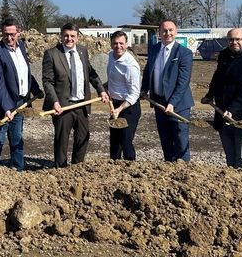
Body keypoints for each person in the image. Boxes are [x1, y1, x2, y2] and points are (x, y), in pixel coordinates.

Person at [42, 22, 109, 168]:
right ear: (61, 36)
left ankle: (77, 167)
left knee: (83, 137)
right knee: (62, 140)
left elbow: (91, 73)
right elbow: (47, 81)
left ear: (78, 37)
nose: (69, 39)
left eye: (73, 36)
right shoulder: (52, 54)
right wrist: (54, 101)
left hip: (82, 104)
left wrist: (101, 90)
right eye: (66, 35)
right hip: (63, 105)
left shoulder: (82, 51)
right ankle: (61, 168)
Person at [0, 18, 43, 171]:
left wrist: (35, 89)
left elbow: (25, 73)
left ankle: (17, 168)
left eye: (12, 34)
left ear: (19, 33)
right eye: (5, 34)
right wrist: (7, 107)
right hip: (0, 104)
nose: (9, 38)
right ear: (1, 34)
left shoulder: (21, 47)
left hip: (20, 102)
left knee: (17, 138)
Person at [201, 28, 242, 169]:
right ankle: (230, 178)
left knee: (241, 154)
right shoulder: (223, 56)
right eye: (231, 39)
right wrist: (210, 95)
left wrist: (232, 109)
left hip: (241, 114)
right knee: (229, 152)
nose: (234, 42)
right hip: (222, 110)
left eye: (238, 39)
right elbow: (217, 79)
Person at [140, 20, 194, 162]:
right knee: (165, 138)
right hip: (159, 101)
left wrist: (172, 103)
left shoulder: (184, 53)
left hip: (178, 105)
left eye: (171, 30)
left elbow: (183, 82)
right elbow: (148, 71)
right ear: (159, 32)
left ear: (176, 32)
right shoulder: (154, 49)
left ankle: (184, 169)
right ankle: (168, 167)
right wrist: (144, 89)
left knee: (180, 139)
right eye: (164, 30)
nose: (167, 33)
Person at [106, 31, 141, 160]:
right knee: (114, 142)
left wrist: (119, 109)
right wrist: (106, 88)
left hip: (128, 108)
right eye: (115, 43)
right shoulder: (111, 56)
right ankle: (114, 170)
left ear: (126, 45)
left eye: (121, 43)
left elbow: (134, 94)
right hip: (114, 104)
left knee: (125, 141)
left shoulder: (130, 65)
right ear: (111, 44)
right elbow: (113, 79)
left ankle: (130, 169)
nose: (118, 46)